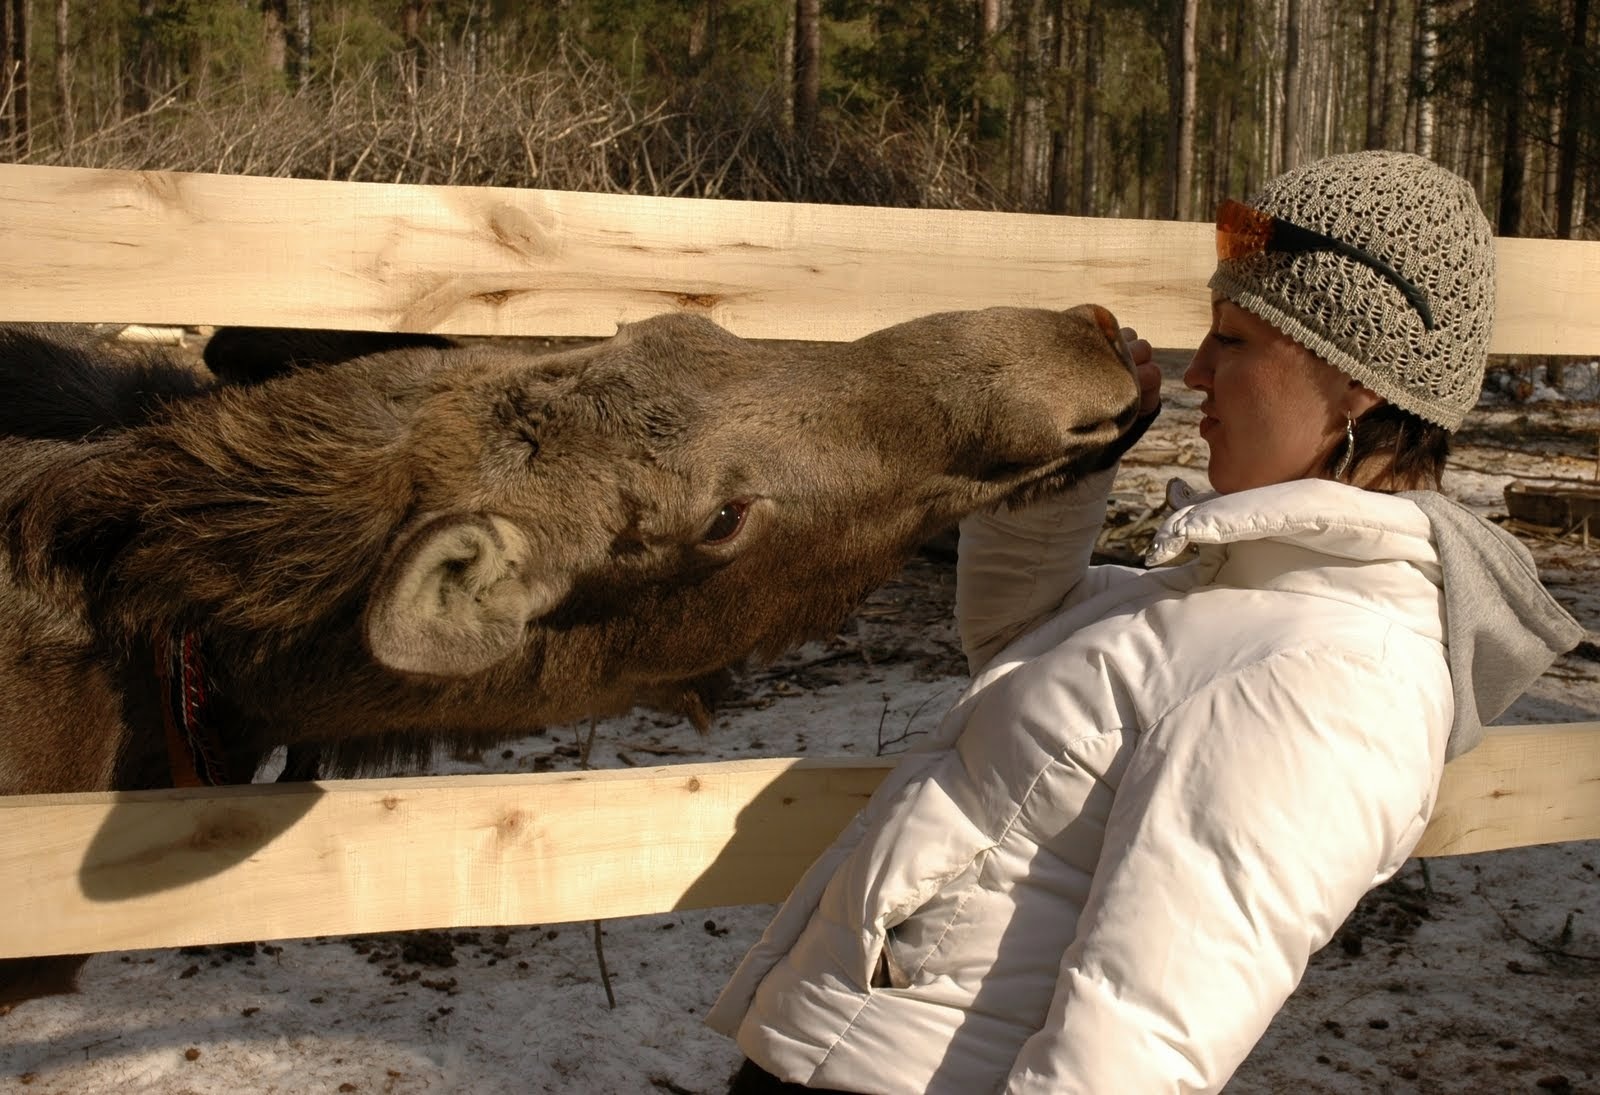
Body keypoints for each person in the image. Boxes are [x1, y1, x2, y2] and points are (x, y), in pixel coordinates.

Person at [705, 149, 1585, 1094]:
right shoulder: (1232, 591)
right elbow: (1018, 644)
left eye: (1234, 340)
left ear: (1357, 385)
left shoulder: (1332, 681)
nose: (1196, 370)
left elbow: (1140, 1046)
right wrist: (1077, 449)